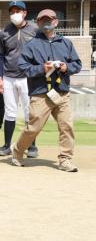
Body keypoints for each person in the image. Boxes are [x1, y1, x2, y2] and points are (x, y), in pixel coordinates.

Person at [10, 9, 82, 171]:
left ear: (56, 22)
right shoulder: (31, 45)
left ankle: (65, 159)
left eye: (49, 20)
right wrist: (42, 69)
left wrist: (66, 67)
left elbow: (77, 64)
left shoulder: (66, 43)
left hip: (62, 92)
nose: (46, 23)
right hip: (40, 93)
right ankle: (17, 150)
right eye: (42, 20)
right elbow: (23, 67)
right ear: (38, 23)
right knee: (34, 128)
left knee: (67, 126)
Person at [0, 0, 39, 158]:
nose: (15, 14)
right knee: (10, 112)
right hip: (8, 77)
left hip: (28, 77)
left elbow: (40, 51)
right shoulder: (5, 32)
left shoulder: (35, 29)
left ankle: (32, 146)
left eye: (18, 11)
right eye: (12, 11)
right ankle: (7, 145)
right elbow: (0, 56)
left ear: (25, 13)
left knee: (30, 112)